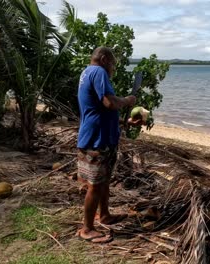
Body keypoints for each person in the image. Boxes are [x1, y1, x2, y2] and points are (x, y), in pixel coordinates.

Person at [76, 47, 136, 243]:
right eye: (113, 64)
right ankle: (87, 228)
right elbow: (109, 103)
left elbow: (99, 110)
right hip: (96, 140)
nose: (113, 69)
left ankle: (105, 215)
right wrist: (128, 100)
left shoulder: (86, 73)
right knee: (95, 185)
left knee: (103, 182)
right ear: (103, 59)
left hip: (98, 136)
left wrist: (124, 122)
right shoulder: (98, 72)